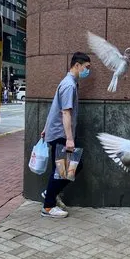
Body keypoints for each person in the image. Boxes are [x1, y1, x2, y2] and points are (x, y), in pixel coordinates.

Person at [40, 52, 91, 218]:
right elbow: (65, 113)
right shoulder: (69, 85)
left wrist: (46, 128)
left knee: (61, 170)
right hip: (61, 134)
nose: (87, 71)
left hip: (56, 132)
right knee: (70, 168)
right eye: (87, 67)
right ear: (77, 65)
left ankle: (50, 194)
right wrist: (69, 139)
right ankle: (48, 205)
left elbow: (55, 106)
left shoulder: (69, 82)